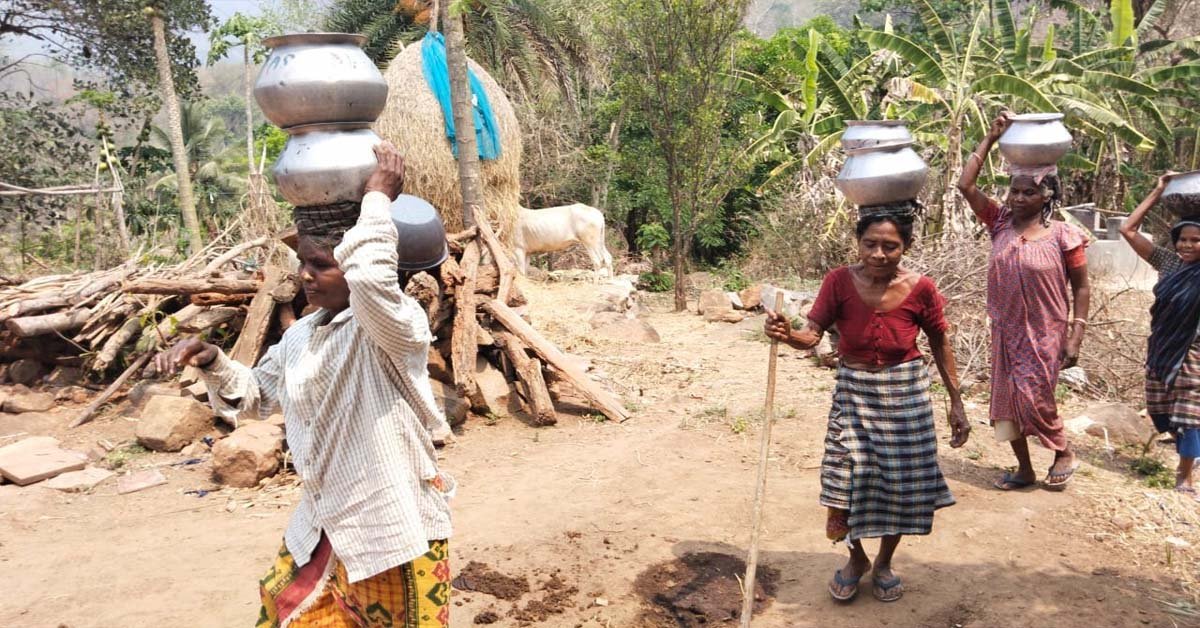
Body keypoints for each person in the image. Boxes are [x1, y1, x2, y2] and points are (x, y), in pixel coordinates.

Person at [156, 142, 455, 628]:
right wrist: (212, 359)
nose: (306, 276)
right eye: (304, 262)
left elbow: (372, 280)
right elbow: (255, 396)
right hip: (324, 519)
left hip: (392, 524)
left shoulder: (393, 328)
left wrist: (377, 199)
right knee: (283, 609)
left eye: (322, 264)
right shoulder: (300, 337)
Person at [764, 210, 970, 604]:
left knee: (900, 485)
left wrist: (956, 402)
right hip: (853, 392)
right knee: (842, 481)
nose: (878, 253)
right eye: (870, 244)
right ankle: (856, 557)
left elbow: (940, 340)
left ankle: (884, 563)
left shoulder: (922, 288)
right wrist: (786, 334)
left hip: (905, 394)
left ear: (906, 246)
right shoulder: (838, 282)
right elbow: (811, 336)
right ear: (858, 244)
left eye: (890, 246)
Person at [957, 113, 1091, 492]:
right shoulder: (999, 223)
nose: (1018, 198)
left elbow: (1082, 288)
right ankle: (1025, 469)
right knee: (1005, 403)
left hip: (1045, 332)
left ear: (1047, 195)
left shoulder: (1064, 236)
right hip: (1005, 330)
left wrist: (1076, 335)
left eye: (1028, 192)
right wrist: (990, 137)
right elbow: (965, 185)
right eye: (1013, 192)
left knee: (1035, 397)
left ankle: (1063, 451)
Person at [1119, 175, 1200, 499]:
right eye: (1183, 239)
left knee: (1190, 417)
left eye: (1196, 240)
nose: (1187, 245)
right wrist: (1158, 190)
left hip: (1193, 354)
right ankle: (1191, 452)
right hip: (1161, 349)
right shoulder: (1169, 264)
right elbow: (1128, 230)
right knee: (1162, 415)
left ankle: (1185, 475)